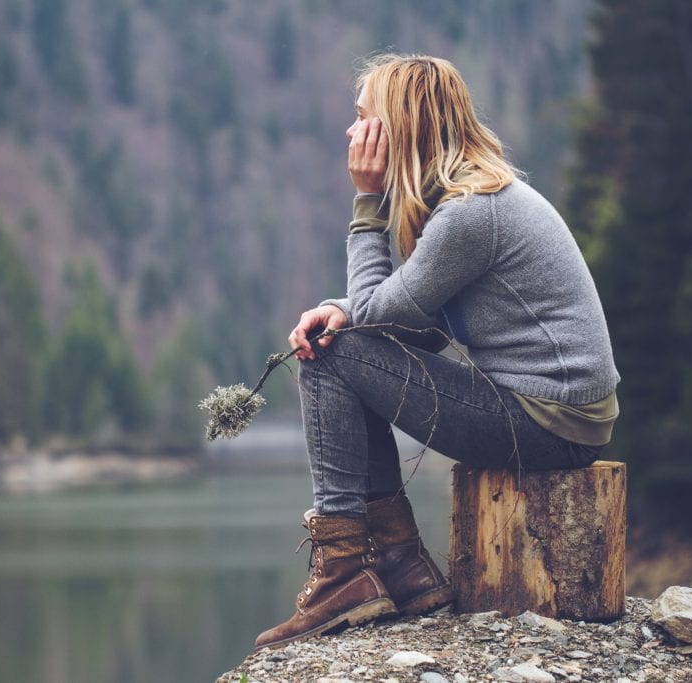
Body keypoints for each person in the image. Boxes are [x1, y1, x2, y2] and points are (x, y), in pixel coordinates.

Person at [254, 54, 620, 650]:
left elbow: (377, 313)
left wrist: (367, 203)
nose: (351, 133)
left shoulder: (472, 213)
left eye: (362, 117)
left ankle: (347, 568)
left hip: (551, 423)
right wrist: (348, 307)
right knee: (344, 336)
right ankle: (401, 566)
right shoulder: (472, 198)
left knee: (333, 351)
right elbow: (411, 320)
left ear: (399, 126)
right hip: (553, 413)